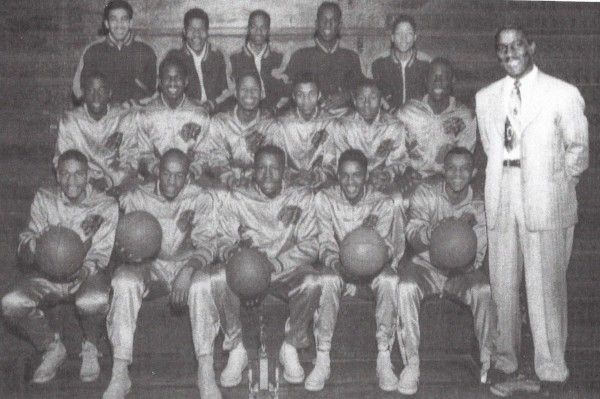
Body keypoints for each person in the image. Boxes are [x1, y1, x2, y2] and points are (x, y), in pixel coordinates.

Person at [476, 26, 589, 397]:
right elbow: (493, 150)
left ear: (532, 47)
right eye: (502, 47)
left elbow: (578, 152)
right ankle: (505, 360)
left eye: (517, 45)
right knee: (503, 286)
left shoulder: (562, 93)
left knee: (545, 287)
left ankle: (551, 367)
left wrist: (552, 185)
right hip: (502, 197)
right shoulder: (486, 97)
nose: (510, 52)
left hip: (545, 199)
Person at [188, 145, 321, 396]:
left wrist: (276, 264)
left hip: (283, 267)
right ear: (253, 171)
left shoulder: (301, 197)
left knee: (313, 281)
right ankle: (236, 347)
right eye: (261, 168)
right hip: (247, 268)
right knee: (218, 276)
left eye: (274, 168)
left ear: (284, 171)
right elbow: (224, 240)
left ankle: (291, 345)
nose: (268, 174)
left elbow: (311, 244)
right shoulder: (237, 198)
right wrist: (235, 255)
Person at [102, 149, 216, 399]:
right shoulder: (135, 197)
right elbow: (111, 230)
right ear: (157, 171)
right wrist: (124, 251)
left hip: (185, 266)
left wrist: (188, 269)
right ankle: (120, 372)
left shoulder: (200, 197)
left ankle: (205, 369)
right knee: (123, 280)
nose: (173, 181)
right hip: (149, 266)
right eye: (167, 174)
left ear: (188, 176)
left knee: (203, 284)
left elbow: (209, 243)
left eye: (179, 176)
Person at [2, 150, 118, 384]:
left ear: (89, 175)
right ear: (57, 174)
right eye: (65, 174)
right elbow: (28, 239)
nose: (71, 181)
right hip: (48, 275)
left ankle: (91, 346)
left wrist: (84, 269)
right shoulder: (45, 198)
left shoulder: (106, 205)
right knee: (10, 303)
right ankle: (52, 347)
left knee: (95, 300)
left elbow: (101, 252)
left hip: (85, 275)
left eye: (78, 174)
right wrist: (35, 247)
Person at [397, 147, 493, 395]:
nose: (457, 174)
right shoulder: (426, 192)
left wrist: (459, 258)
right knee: (405, 287)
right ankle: (412, 364)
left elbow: (479, 249)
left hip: (461, 270)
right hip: (426, 265)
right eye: (451, 168)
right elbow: (411, 234)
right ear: (443, 170)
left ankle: (487, 362)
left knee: (482, 290)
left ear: (473, 173)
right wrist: (432, 234)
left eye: (464, 169)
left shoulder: (481, 204)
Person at [308, 149, 404, 392]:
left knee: (389, 281)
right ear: (338, 175)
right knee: (327, 280)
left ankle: (384, 356)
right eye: (345, 175)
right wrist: (338, 263)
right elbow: (325, 241)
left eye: (357, 175)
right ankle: (323, 357)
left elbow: (388, 245)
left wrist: (373, 261)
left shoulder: (382, 203)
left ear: (366, 176)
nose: (351, 182)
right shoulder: (325, 198)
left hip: (373, 267)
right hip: (339, 266)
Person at [396, 58, 476, 191]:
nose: (438, 81)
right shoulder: (408, 111)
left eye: (443, 77)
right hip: (410, 181)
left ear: (452, 81)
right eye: (433, 76)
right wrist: (405, 170)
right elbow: (396, 153)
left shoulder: (464, 116)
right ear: (425, 80)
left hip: (447, 184)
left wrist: (443, 176)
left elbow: (465, 160)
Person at [55, 72, 138, 193]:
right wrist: (89, 181)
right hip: (80, 184)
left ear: (109, 93)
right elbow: (61, 159)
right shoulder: (71, 120)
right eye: (90, 90)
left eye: (101, 90)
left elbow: (132, 158)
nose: (96, 96)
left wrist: (110, 181)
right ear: (83, 93)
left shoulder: (123, 117)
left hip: (117, 182)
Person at [132, 56, 211, 183]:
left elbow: (204, 154)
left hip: (189, 180)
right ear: (159, 81)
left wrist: (191, 171)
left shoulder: (199, 114)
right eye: (167, 77)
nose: (172, 82)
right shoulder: (146, 114)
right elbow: (142, 154)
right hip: (155, 179)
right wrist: (157, 170)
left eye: (178, 78)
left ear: (186, 81)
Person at [324, 79, 409, 194]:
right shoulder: (342, 126)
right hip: (350, 183)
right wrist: (366, 176)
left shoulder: (394, 126)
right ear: (354, 101)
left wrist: (387, 174)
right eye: (361, 98)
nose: (367, 103)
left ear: (380, 100)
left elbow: (399, 160)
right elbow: (335, 162)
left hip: (381, 182)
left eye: (373, 98)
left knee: (396, 200)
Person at [284, 1, 364, 114]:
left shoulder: (351, 57)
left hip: (345, 119)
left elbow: (362, 88)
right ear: (316, 23)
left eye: (333, 20)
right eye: (323, 19)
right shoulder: (300, 56)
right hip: (310, 119)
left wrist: (347, 96)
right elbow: (288, 92)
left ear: (340, 25)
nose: (328, 24)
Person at [72, 0, 157, 106]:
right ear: (106, 24)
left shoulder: (146, 51)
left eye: (124, 19)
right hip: (103, 114)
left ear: (131, 23)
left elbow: (156, 91)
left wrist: (135, 103)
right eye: (113, 19)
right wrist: (99, 107)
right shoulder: (92, 51)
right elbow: (78, 89)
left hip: (137, 113)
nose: (119, 24)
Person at [205, 73, 276, 188]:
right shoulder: (220, 122)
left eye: (254, 89)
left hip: (258, 187)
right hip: (225, 186)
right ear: (235, 93)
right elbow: (215, 159)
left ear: (262, 94)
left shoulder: (269, 126)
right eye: (244, 89)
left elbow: (272, 164)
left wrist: (251, 179)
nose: (249, 94)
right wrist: (230, 179)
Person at [269, 72, 336, 189]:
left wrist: (315, 176)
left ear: (319, 95)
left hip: (319, 184)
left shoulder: (329, 122)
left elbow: (332, 162)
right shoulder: (281, 124)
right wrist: (294, 177)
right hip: (289, 185)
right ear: (293, 96)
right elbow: (277, 162)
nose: (306, 100)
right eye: (300, 95)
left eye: (311, 94)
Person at [165, 8, 229, 114]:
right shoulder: (174, 57)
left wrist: (213, 104)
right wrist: (193, 106)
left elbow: (228, 91)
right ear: (184, 32)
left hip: (217, 113)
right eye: (191, 29)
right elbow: (167, 91)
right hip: (185, 112)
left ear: (207, 32)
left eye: (201, 29)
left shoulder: (218, 55)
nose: (197, 34)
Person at [230, 10, 287, 113]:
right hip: (244, 112)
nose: (258, 32)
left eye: (263, 27)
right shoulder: (234, 58)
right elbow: (231, 93)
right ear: (248, 29)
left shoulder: (279, 57)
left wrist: (275, 109)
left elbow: (287, 92)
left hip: (274, 113)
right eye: (254, 27)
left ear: (268, 31)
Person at [371, 14, 430, 111]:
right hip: (388, 118)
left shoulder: (426, 62)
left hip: (418, 118)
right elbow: (372, 93)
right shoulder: (378, 63)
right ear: (392, 37)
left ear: (415, 37)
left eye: (409, 33)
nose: (404, 38)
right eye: (399, 33)